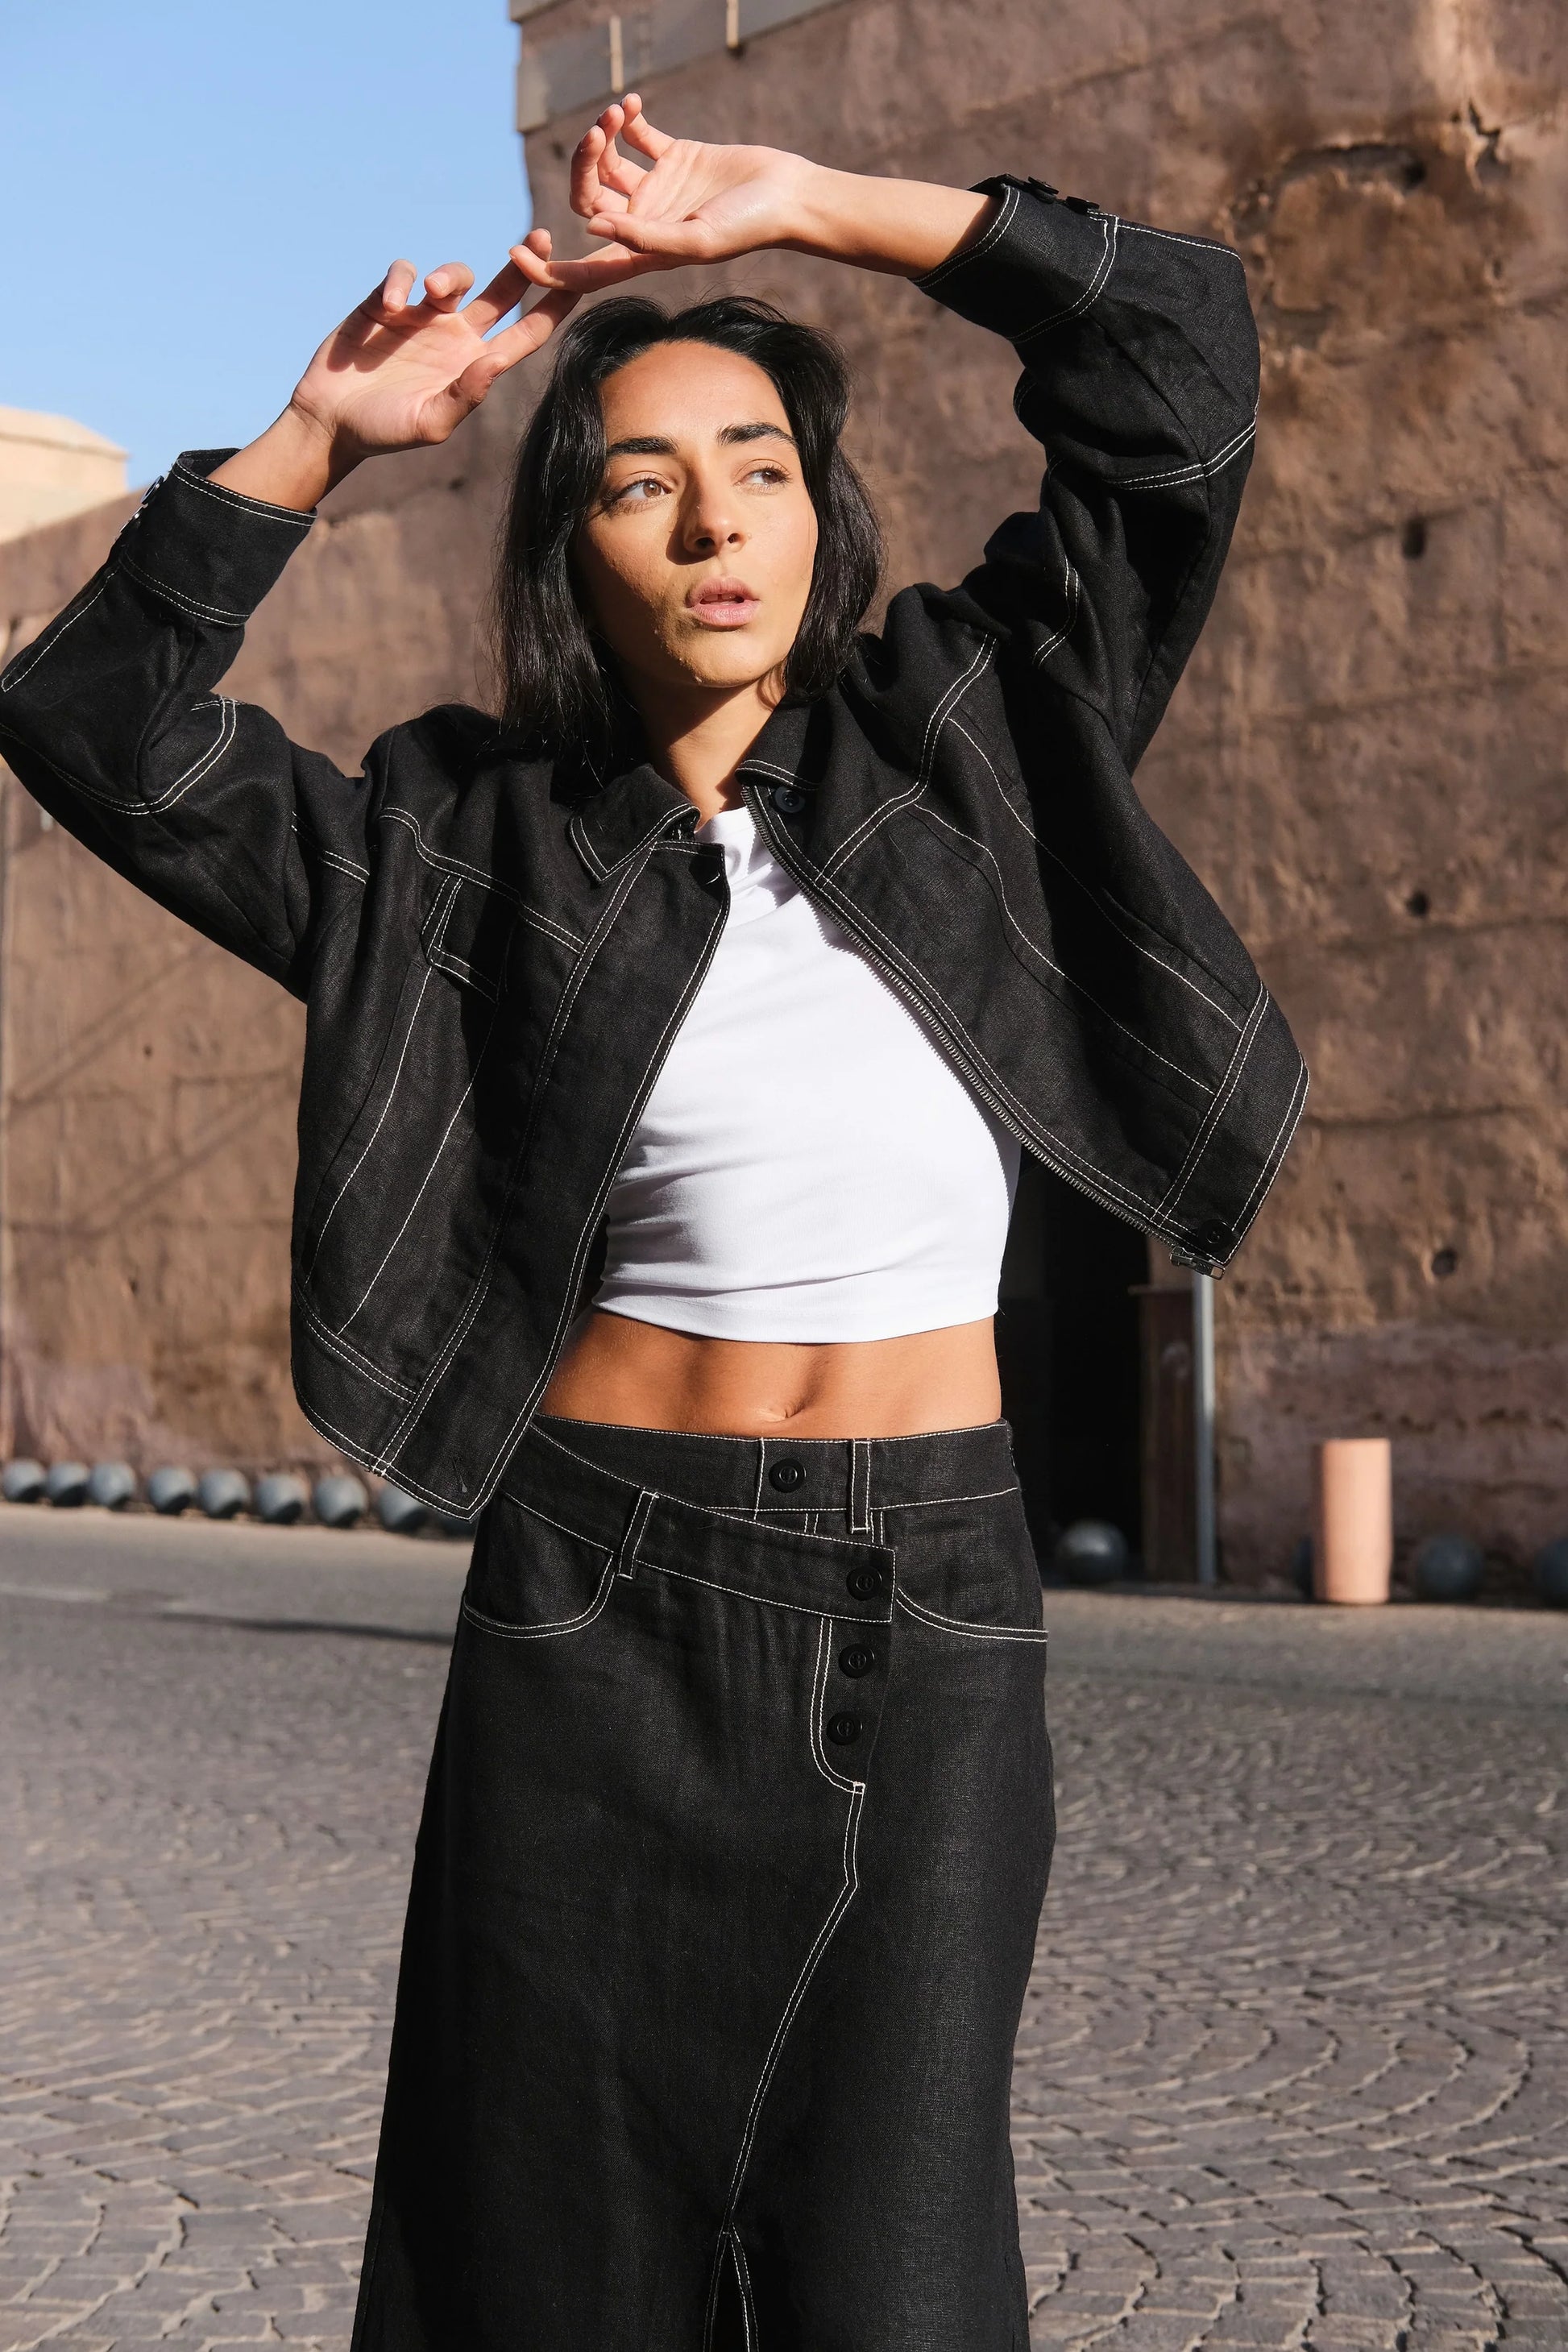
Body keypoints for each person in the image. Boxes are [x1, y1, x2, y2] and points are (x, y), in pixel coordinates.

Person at [0, 97, 1306, 2350]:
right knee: (548, 2254)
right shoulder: (455, 848)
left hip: (935, 1587)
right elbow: (95, 724)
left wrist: (810, 210)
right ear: (570, 545)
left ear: (822, 514)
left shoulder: (981, 731)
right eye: (637, 478)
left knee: (892, 2265)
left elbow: (1180, 360)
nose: (712, 521)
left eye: (760, 468)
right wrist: (324, 432)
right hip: (595, 1582)